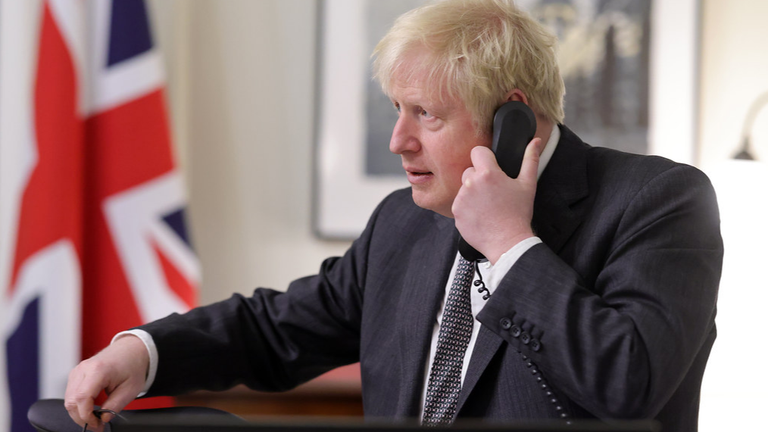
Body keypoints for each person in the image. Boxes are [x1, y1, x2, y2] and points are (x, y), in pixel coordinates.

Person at [64, 0, 723, 431]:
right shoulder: (403, 222)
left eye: (425, 116)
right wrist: (143, 353)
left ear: (511, 118)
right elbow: (275, 330)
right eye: (395, 111)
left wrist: (510, 246)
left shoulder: (661, 202)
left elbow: (630, 382)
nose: (397, 141)